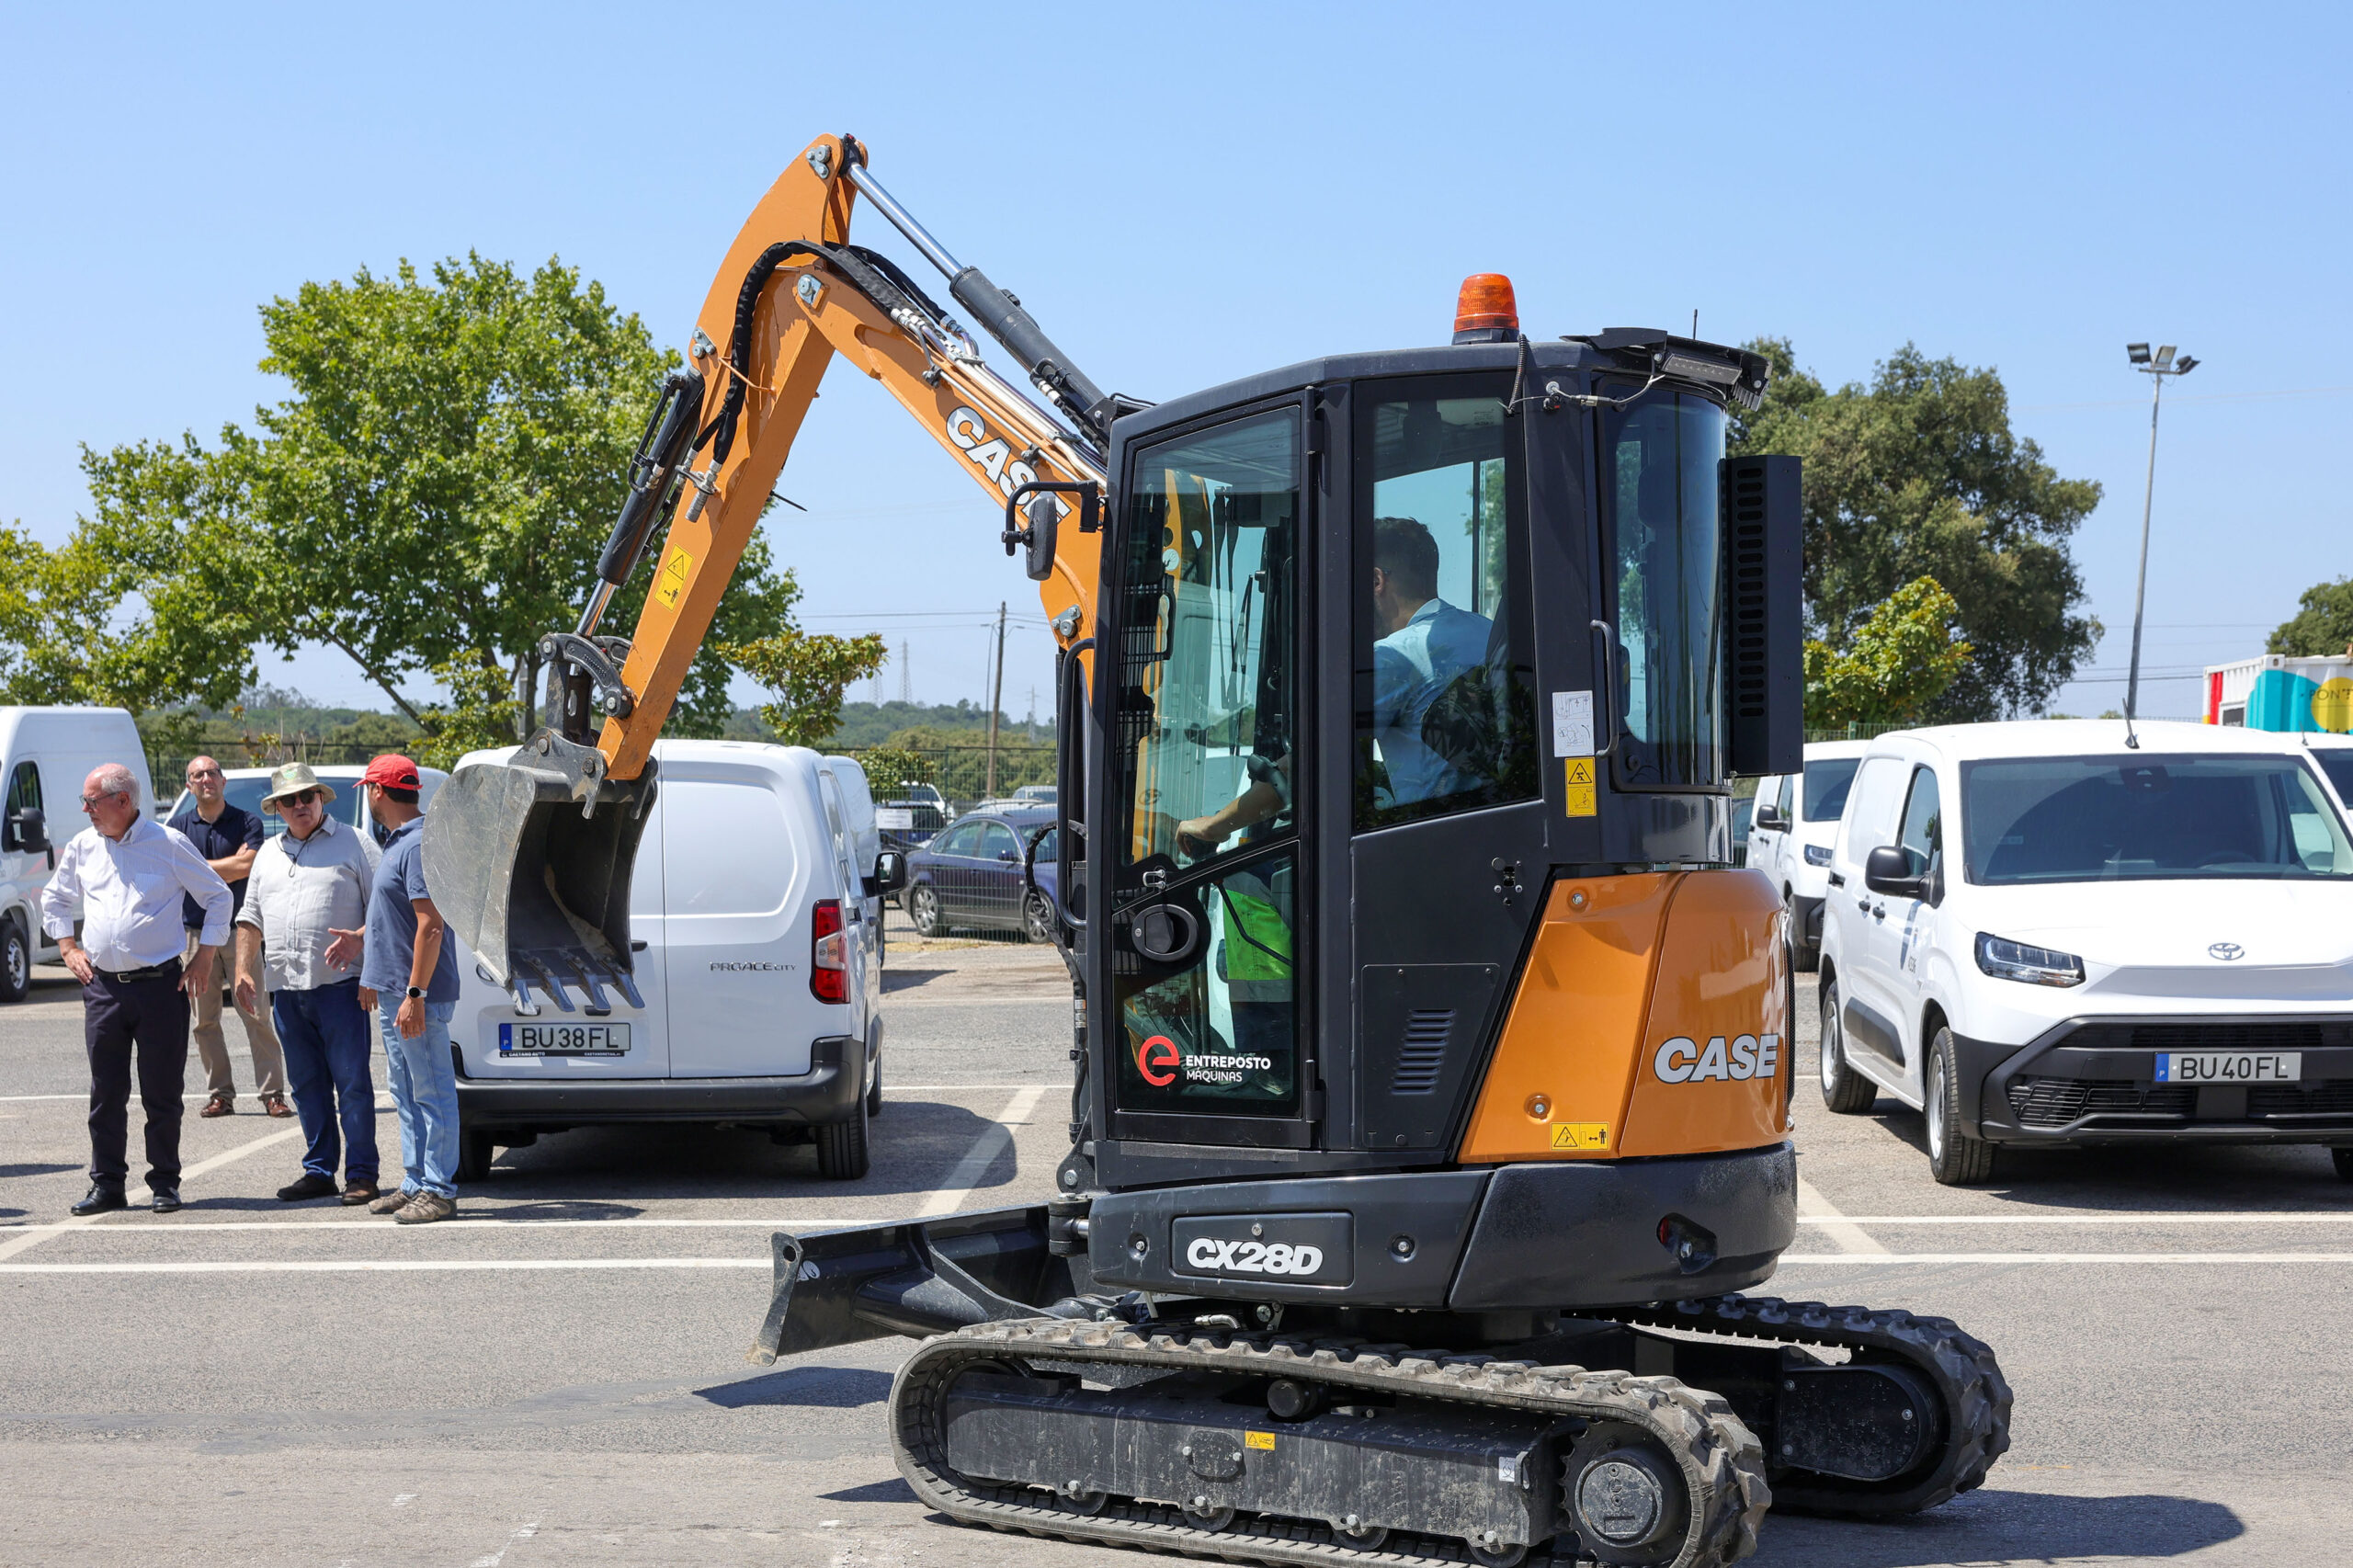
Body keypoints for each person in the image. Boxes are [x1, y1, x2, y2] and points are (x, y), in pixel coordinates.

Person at [40, 764, 233, 1215]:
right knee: (106, 1092)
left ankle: (164, 1182)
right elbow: (55, 898)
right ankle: (107, 1184)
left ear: (123, 801)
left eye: (92, 801)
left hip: (159, 988)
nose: (86, 810)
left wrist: (205, 955)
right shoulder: (84, 846)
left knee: (161, 1092)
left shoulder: (168, 843)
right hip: (103, 988)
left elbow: (218, 896)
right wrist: (67, 947)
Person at [233, 763, 382, 1205]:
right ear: (277, 808)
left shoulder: (355, 842)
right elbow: (250, 918)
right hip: (286, 991)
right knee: (305, 1085)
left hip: (342, 988)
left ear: (320, 798)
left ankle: (362, 1174)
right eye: (289, 800)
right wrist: (243, 969)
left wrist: (364, 951)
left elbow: (385, 908)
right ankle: (319, 1171)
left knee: (352, 1084)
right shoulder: (268, 853)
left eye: (307, 796)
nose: (299, 805)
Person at [353, 756, 460, 1224]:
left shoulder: (416, 844)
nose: (368, 797)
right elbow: (397, 920)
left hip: (417, 996)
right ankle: (417, 1181)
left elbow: (430, 925)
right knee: (406, 1091)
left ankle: (438, 1190)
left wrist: (416, 995)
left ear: (378, 791)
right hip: (397, 992)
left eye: (368, 789)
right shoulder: (400, 841)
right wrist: (371, 969)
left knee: (432, 1092)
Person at [169, 756, 289, 1119]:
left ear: (223, 781)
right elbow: (176, 873)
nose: (206, 779)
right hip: (194, 933)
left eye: (212, 773)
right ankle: (220, 1094)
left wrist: (195, 867)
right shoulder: (176, 828)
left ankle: (273, 1094)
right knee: (204, 1021)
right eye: (197, 775)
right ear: (189, 785)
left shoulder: (247, 822)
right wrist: (228, 867)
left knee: (256, 1014)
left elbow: (247, 866)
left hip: (241, 931)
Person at [1368, 516, 1493, 808]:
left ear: (1377, 581)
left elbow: (1320, 753)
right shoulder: (1489, 631)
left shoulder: (1391, 657)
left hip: (1432, 829)